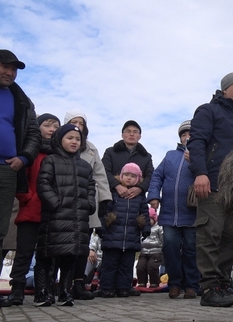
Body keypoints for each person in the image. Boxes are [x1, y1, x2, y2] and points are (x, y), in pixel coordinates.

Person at [187, 72, 233, 307]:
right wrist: (201, 173)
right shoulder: (208, 111)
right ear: (225, 89)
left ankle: (224, 285)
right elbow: (197, 142)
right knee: (210, 235)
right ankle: (209, 289)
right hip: (212, 183)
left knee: (232, 238)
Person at [0, 49, 41, 308]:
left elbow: (33, 134)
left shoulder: (20, 100)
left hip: (5, 171)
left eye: (14, 69)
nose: (10, 73)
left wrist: (25, 158)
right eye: (4, 67)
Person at [35, 124, 96, 307]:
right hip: (55, 217)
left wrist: (90, 205)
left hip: (78, 219)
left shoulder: (85, 166)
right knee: (47, 256)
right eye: (70, 138)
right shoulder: (51, 160)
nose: (74, 142)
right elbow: (43, 184)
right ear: (60, 139)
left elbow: (91, 187)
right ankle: (42, 293)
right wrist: (55, 203)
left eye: (77, 139)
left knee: (71, 256)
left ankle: (64, 292)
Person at [7, 113, 59, 305]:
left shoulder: (59, 154)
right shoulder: (30, 152)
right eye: (47, 125)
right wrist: (27, 197)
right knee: (24, 252)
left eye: (55, 126)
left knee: (49, 255)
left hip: (52, 213)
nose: (52, 129)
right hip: (30, 210)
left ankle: (46, 289)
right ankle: (17, 288)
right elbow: (21, 178)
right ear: (38, 128)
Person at [146, 120, 199, 299]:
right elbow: (156, 176)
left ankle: (192, 285)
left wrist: (195, 161)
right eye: (184, 134)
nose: (187, 137)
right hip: (169, 214)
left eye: (190, 135)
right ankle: (174, 283)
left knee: (192, 249)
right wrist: (154, 196)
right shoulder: (170, 155)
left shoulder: (201, 155)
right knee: (170, 248)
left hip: (192, 214)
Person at [64, 109, 113, 300]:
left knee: (82, 246)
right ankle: (56, 284)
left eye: (81, 123)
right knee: (60, 246)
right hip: (62, 204)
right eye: (74, 122)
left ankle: (78, 283)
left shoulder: (92, 149)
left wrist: (104, 200)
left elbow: (100, 176)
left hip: (86, 204)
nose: (78, 126)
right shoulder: (57, 146)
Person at [99, 162, 151, 298]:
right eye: (126, 175)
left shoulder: (140, 197)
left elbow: (144, 213)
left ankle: (123, 288)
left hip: (131, 237)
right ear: (121, 176)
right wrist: (102, 227)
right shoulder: (114, 193)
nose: (129, 178)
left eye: (133, 176)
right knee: (109, 264)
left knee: (126, 265)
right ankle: (107, 287)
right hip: (112, 235)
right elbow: (105, 211)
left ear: (138, 179)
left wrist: (146, 228)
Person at [137, 208, 163, 288]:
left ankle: (154, 283)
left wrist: (162, 247)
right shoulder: (141, 228)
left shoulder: (158, 227)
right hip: (144, 251)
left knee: (152, 266)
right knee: (140, 266)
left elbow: (162, 238)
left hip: (156, 251)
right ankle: (141, 282)